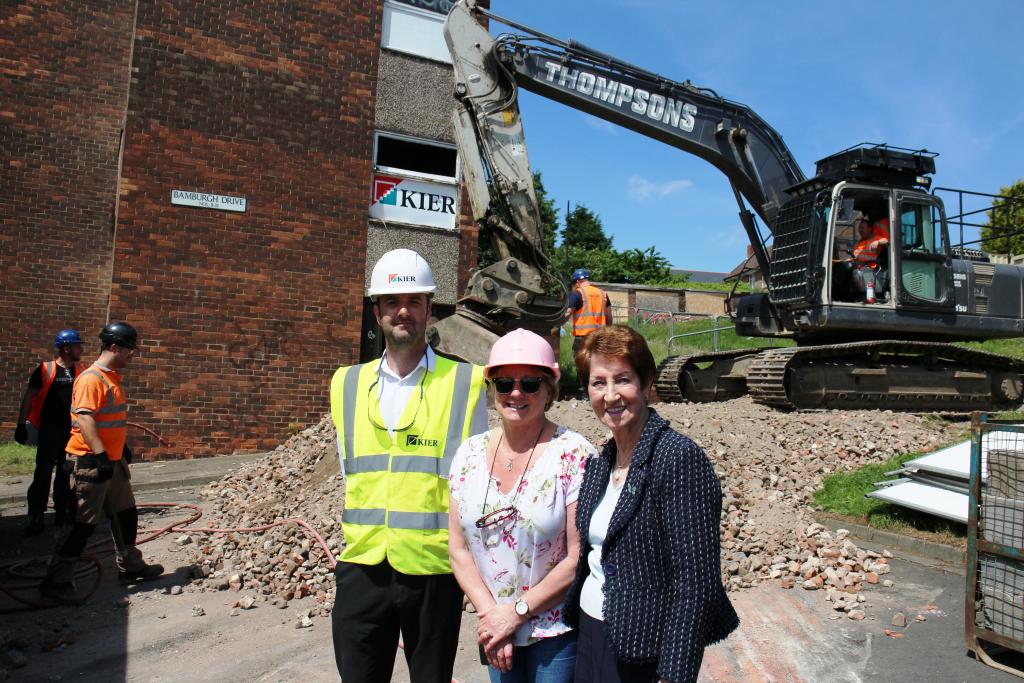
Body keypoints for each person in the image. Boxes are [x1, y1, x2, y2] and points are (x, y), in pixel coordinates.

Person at [329, 248, 489, 683]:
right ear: (376, 310)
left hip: (433, 571)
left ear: (429, 309)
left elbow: (475, 482)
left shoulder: (465, 382)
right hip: (362, 567)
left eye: (414, 301)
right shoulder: (346, 384)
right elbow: (349, 470)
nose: (403, 311)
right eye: (392, 302)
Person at [565, 325, 738, 683]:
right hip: (592, 634)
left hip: (644, 649)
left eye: (622, 380)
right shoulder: (601, 462)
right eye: (598, 383)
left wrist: (675, 673)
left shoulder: (677, 459)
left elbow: (696, 583)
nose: (610, 395)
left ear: (646, 384)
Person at [448, 328, 596, 683]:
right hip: (496, 629)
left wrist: (515, 614)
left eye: (530, 383)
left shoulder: (574, 454)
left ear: (549, 390)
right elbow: (458, 549)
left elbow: (577, 557)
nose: (516, 393)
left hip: (555, 633)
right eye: (504, 383)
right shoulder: (468, 454)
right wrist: (493, 617)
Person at [39, 322, 163, 605]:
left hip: (112, 460)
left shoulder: (111, 378)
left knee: (126, 514)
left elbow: (109, 420)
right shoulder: (91, 379)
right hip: (90, 462)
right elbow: (85, 418)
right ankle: (56, 581)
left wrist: (120, 448)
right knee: (81, 524)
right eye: (130, 348)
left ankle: (130, 566)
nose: (133, 353)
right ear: (115, 347)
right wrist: (101, 455)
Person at [14, 329, 87, 535]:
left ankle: (62, 514)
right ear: (66, 348)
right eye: (77, 345)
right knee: (43, 474)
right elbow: (29, 397)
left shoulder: (82, 369)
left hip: (71, 431)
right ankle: (36, 516)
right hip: (49, 429)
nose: (81, 349)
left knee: (66, 474)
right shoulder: (45, 369)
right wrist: (21, 424)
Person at [564, 269, 612, 396]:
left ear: (578, 282)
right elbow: (609, 316)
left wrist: (556, 324)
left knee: (582, 364)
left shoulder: (577, 294)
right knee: (599, 365)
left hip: (583, 337)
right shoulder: (603, 294)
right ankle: (600, 391)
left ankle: (584, 392)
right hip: (601, 337)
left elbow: (567, 313)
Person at [851, 217, 890, 304]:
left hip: (871, 269)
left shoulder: (876, 238)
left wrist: (878, 242)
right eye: (859, 228)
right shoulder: (860, 242)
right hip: (859, 267)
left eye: (862, 228)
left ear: (869, 229)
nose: (860, 230)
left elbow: (886, 240)